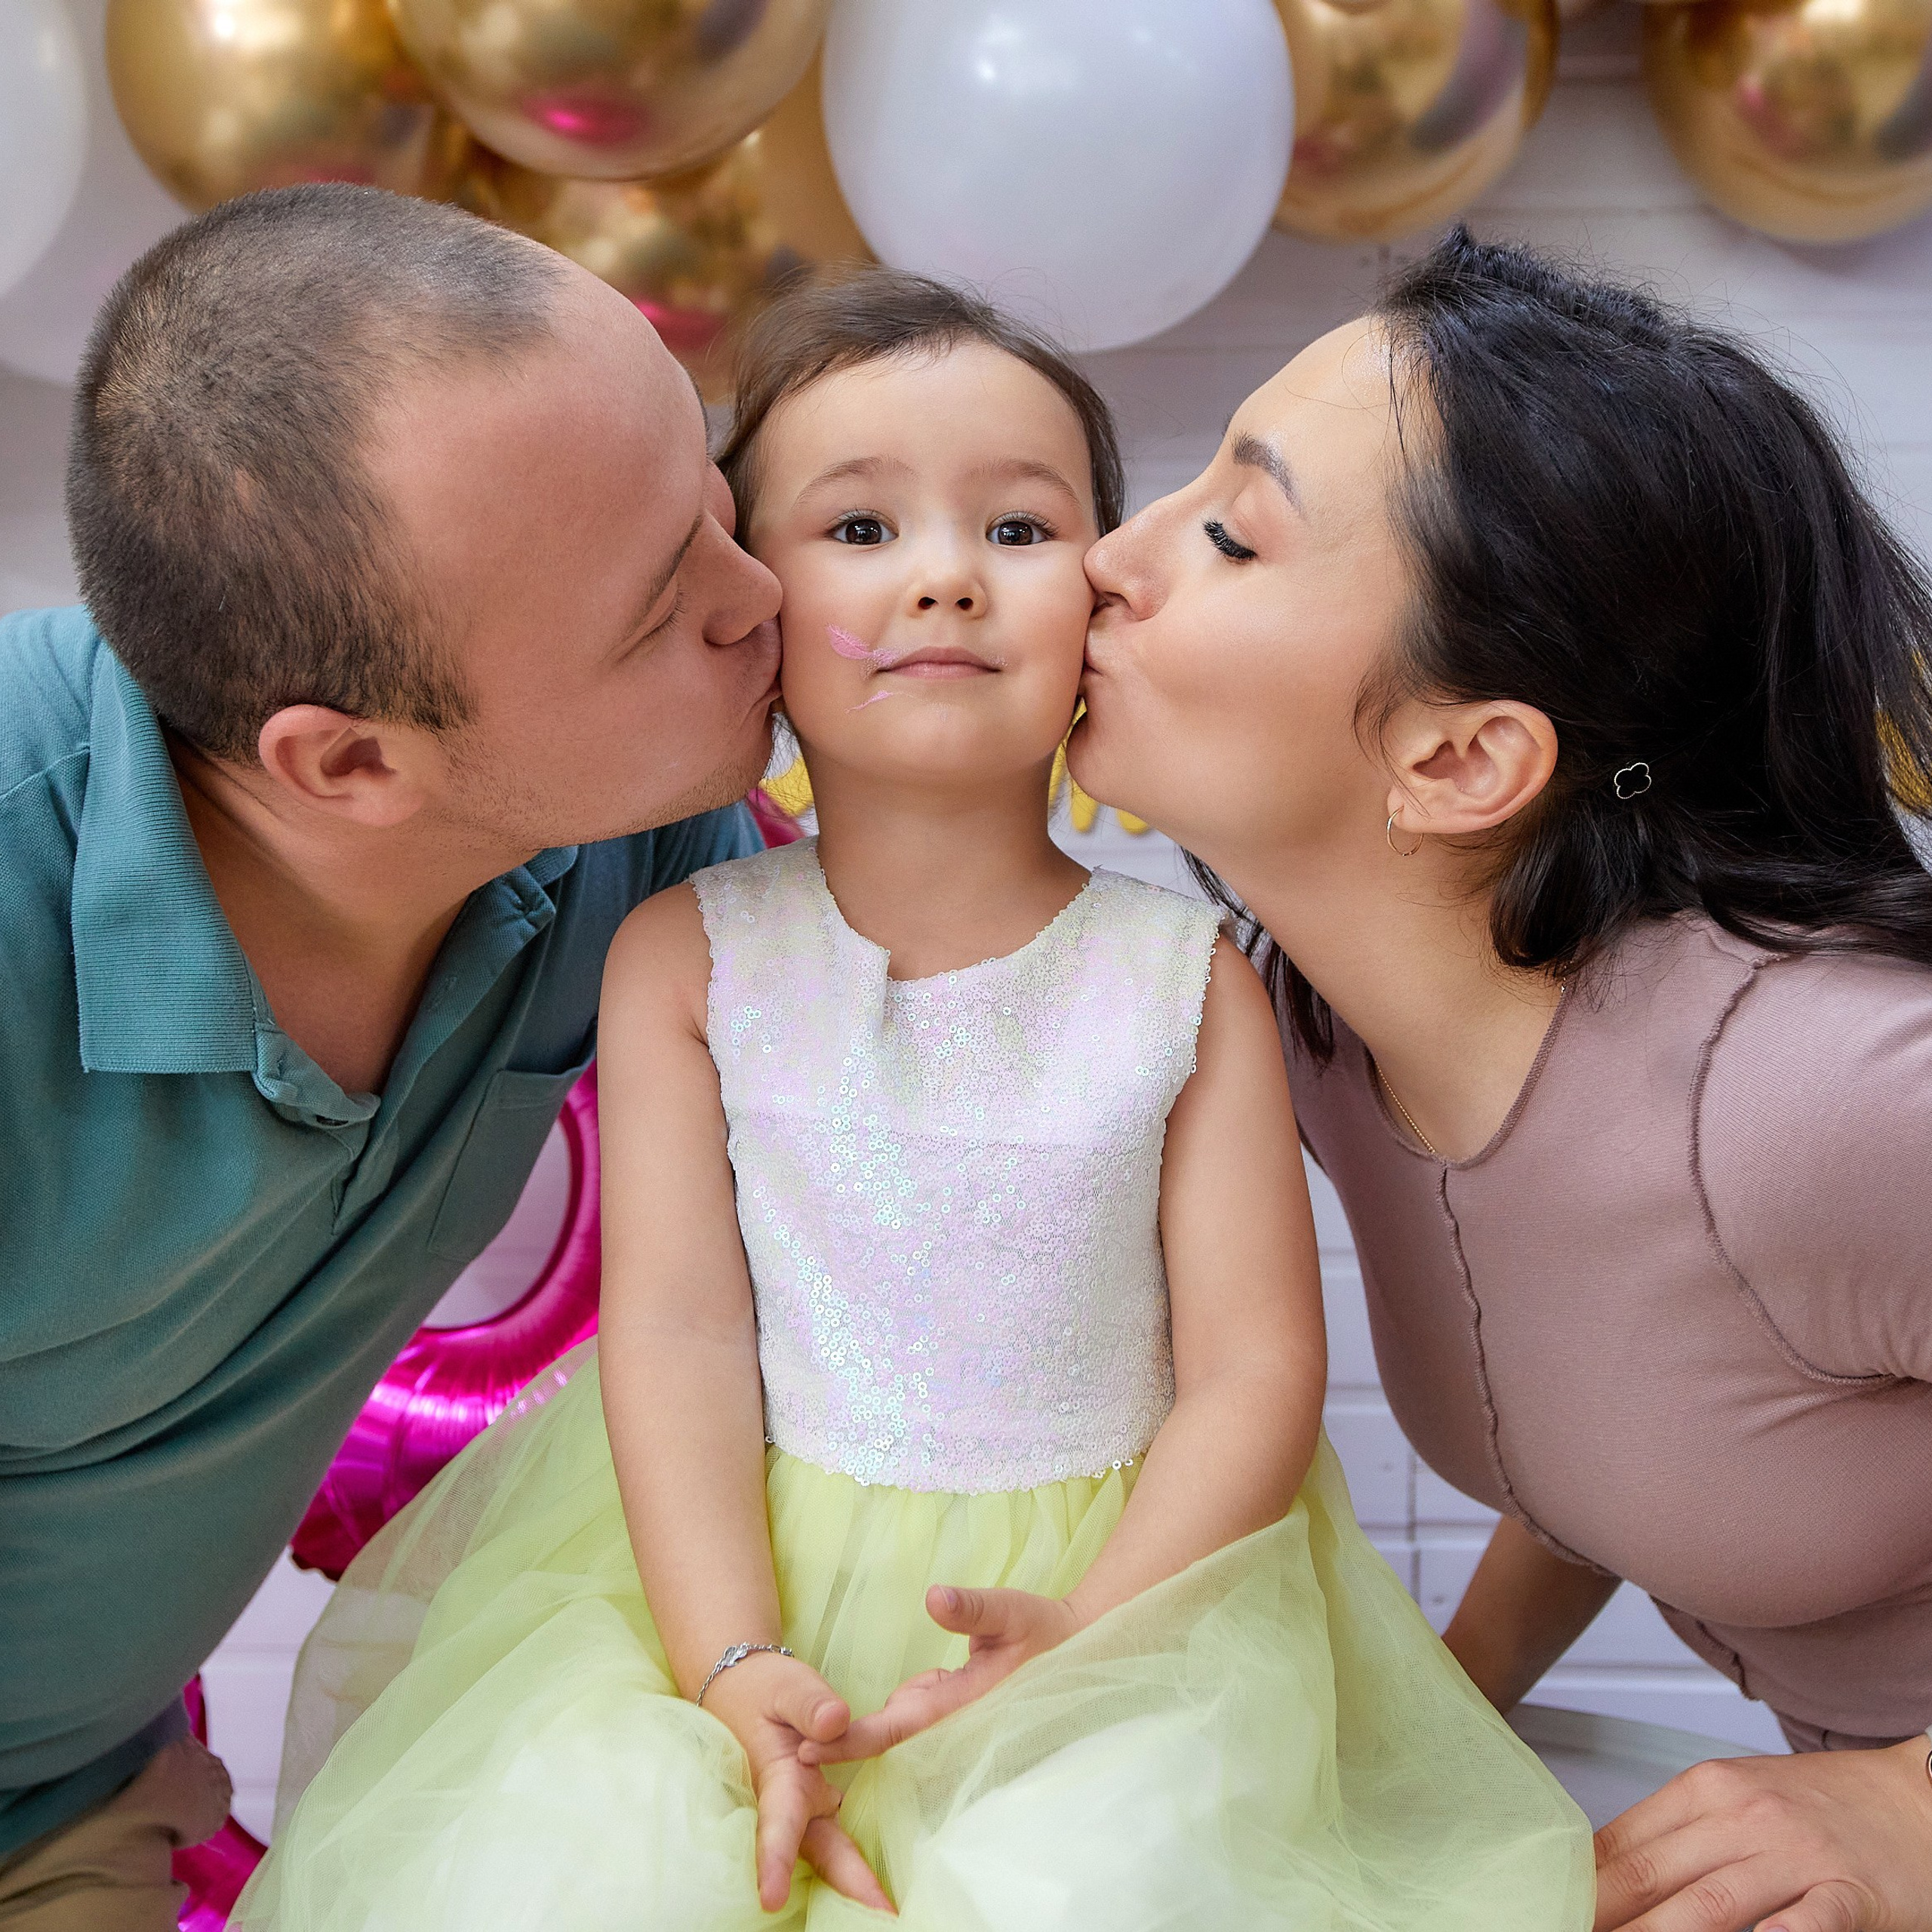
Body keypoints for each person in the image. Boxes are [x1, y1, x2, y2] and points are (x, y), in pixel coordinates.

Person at [234, 269, 1589, 1930]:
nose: (944, 578)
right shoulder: (686, 956)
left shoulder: (1183, 978)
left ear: (1100, 592)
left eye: (1018, 531)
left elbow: (1252, 1366)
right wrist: (727, 1654)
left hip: (1115, 1585)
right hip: (739, 1560)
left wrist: (1096, 1630)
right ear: (749, 599)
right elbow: (671, 1332)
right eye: (859, 529)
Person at [1071, 224, 1932, 1932]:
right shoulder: (1319, 1040)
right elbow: (1640, 1397)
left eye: (1232, 532)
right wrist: (1433, 1718)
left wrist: (1911, 1804)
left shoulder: (1824, 1096)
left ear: (1461, 757)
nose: (1108, 556)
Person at [0, 183, 783, 1930]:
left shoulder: (634, 827)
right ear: (349, 766)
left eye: (719, 504)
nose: (762, 596)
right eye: (663, 609)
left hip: (78, 1793)